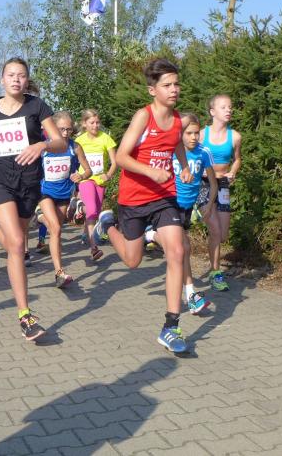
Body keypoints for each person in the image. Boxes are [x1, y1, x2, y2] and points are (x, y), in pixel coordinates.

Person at [0, 57, 66, 341]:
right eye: (11, 75)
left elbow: (60, 142)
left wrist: (42, 145)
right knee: (17, 244)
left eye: (22, 75)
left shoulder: (37, 106)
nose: (16, 79)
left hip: (28, 183)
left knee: (18, 241)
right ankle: (25, 315)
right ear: (2, 79)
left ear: (27, 80)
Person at [92, 58, 193, 353]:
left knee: (177, 250)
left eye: (176, 84)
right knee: (132, 261)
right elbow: (122, 157)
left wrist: (184, 166)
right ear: (152, 90)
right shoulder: (143, 117)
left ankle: (171, 327)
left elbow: (175, 143)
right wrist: (150, 171)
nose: (174, 89)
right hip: (134, 198)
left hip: (164, 195)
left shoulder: (178, 120)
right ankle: (108, 225)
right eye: (167, 85)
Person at [36, 111, 92, 288]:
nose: (66, 133)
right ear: (53, 128)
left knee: (56, 231)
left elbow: (88, 170)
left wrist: (81, 176)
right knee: (57, 228)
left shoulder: (75, 147)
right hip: (44, 192)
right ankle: (59, 272)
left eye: (69, 129)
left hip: (64, 194)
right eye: (61, 129)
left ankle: (40, 217)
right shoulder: (44, 147)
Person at [171, 113, 217, 313]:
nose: (193, 137)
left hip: (188, 207)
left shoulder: (204, 152)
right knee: (185, 247)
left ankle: (149, 235)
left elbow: (213, 184)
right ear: (179, 134)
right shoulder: (171, 151)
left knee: (179, 252)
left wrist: (208, 204)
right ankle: (191, 296)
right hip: (170, 204)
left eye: (196, 133)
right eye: (188, 133)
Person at [200, 94, 242, 291]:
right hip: (204, 184)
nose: (228, 110)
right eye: (223, 107)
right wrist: (198, 171)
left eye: (230, 107)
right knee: (216, 230)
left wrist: (233, 171)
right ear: (212, 112)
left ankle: (213, 260)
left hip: (223, 184)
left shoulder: (235, 137)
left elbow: (237, 159)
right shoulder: (201, 135)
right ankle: (215, 273)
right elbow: (190, 155)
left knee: (222, 235)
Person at [75, 109, 118, 262]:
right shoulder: (79, 140)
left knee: (94, 212)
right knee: (92, 210)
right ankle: (94, 248)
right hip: (86, 179)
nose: (95, 125)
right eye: (91, 123)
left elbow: (115, 162)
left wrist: (108, 175)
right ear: (84, 124)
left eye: (97, 122)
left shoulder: (106, 138)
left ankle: (81, 211)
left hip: (100, 181)